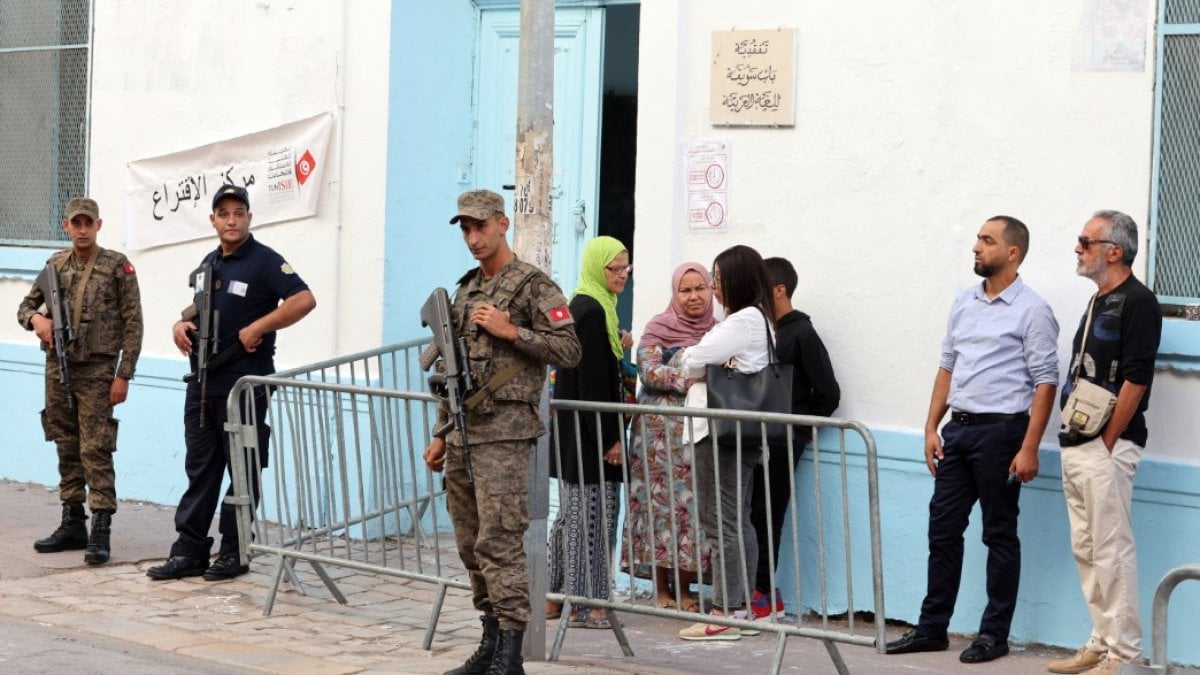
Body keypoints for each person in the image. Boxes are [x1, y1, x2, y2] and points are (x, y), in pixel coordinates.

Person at [885, 216, 1059, 664]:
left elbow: (1045, 382)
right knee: (942, 530)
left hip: (1003, 433)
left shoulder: (1033, 310)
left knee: (999, 534)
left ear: (1013, 252)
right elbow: (948, 365)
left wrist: (1029, 447)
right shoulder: (964, 301)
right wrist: (930, 427)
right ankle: (932, 629)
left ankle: (993, 635)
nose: (976, 247)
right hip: (957, 431)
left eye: (987, 240)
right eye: (978, 239)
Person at [422, 189, 581, 675]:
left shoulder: (534, 286)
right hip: (463, 435)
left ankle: (510, 656)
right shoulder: (466, 289)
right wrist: (441, 432)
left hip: (505, 434)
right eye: (466, 230)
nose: (473, 238)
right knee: (471, 543)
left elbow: (570, 349)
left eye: (480, 227)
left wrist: (513, 333)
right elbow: (448, 372)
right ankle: (490, 645)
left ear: (502, 224)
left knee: (500, 540)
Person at [147, 184, 316, 582]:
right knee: (201, 469)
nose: (232, 220)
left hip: (244, 385)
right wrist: (180, 323)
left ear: (249, 218)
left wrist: (259, 325)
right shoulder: (210, 264)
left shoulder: (265, 261)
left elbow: (303, 299)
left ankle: (235, 550)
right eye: (224, 214)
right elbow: (201, 308)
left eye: (239, 212)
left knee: (242, 468)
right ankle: (189, 551)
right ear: (213, 221)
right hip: (204, 383)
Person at [1047, 210, 1161, 675]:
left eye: (1085, 241)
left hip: (1107, 446)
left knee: (1111, 549)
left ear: (1114, 251)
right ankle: (1102, 640)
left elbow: (1136, 378)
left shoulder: (1139, 302)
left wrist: (1108, 441)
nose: (1077, 248)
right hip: (1078, 443)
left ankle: (1125, 657)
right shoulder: (1099, 299)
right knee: (1088, 548)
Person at [17, 197, 144, 565]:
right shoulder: (54, 265)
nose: (83, 229)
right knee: (64, 441)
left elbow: (133, 324)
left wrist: (124, 374)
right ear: (66, 226)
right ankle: (73, 520)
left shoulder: (117, 266)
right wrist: (37, 322)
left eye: (89, 223)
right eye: (77, 223)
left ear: (99, 225)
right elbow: (25, 307)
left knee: (96, 447)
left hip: (98, 372)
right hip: (59, 369)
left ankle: (101, 528)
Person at [676, 244, 776, 642]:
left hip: (719, 433)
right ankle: (744, 609)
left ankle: (725, 610)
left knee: (720, 523)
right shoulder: (760, 319)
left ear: (734, 280)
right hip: (740, 434)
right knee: (738, 522)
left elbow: (694, 360)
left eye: (716, 280)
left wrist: (692, 361)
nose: (713, 288)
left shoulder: (743, 321)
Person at [546, 236, 633, 628]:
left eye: (627, 268)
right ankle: (589, 604)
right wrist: (610, 438)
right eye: (615, 268)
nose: (623, 275)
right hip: (590, 435)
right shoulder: (593, 311)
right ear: (598, 268)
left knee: (572, 515)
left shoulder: (585, 305)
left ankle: (554, 595)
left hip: (574, 432)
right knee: (593, 518)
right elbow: (594, 383)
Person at [621, 262, 716, 614]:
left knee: (691, 511)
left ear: (710, 290)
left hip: (696, 436)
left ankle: (686, 586)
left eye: (700, 288)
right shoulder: (659, 326)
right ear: (674, 293)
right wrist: (689, 378)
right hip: (656, 438)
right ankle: (662, 586)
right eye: (685, 290)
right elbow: (649, 370)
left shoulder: (718, 331)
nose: (693, 297)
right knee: (658, 509)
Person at [749, 257, 841, 618]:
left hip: (783, 440)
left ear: (780, 290)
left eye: (761, 291)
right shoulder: (764, 332)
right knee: (750, 511)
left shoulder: (801, 333)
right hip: (757, 438)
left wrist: (804, 426)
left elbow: (829, 393)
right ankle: (750, 588)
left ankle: (763, 592)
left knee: (767, 512)